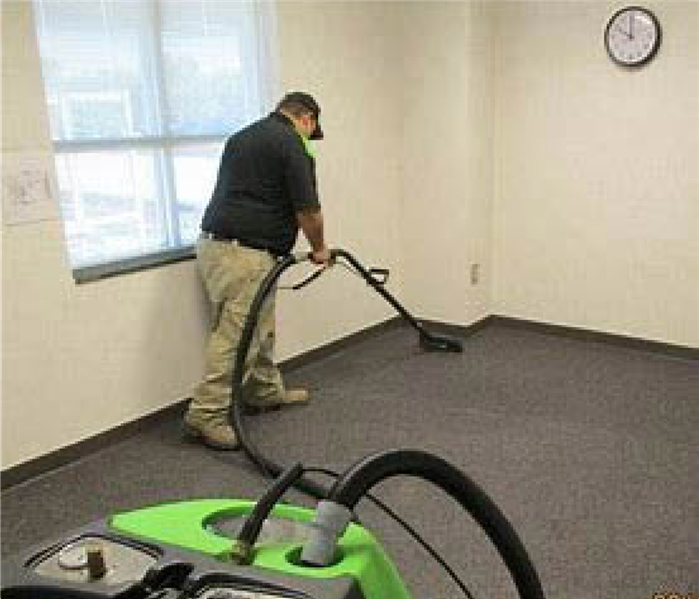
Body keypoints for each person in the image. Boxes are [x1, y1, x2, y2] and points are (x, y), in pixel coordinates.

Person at [184, 91, 331, 450]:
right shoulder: (293, 145)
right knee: (238, 335)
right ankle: (206, 413)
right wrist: (319, 249)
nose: (311, 138)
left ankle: (263, 391)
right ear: (306, 119)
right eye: (312, 131)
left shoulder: (243, 137)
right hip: (245, 254)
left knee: (256, 325)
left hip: (218, 247)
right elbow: (308, 211)